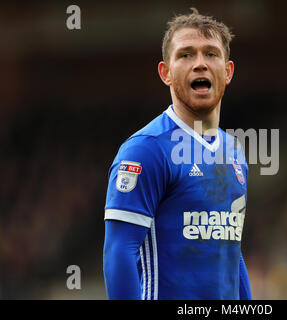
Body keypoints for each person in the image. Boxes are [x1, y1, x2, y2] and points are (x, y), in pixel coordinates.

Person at [103, 8, 252, 300]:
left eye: (211, 54)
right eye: (186, 54)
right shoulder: (146, 149)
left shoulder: (234, 152)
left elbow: (231, 251)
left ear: (228, 71)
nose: (200, 64)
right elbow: (119, 250)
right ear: (166, 73)